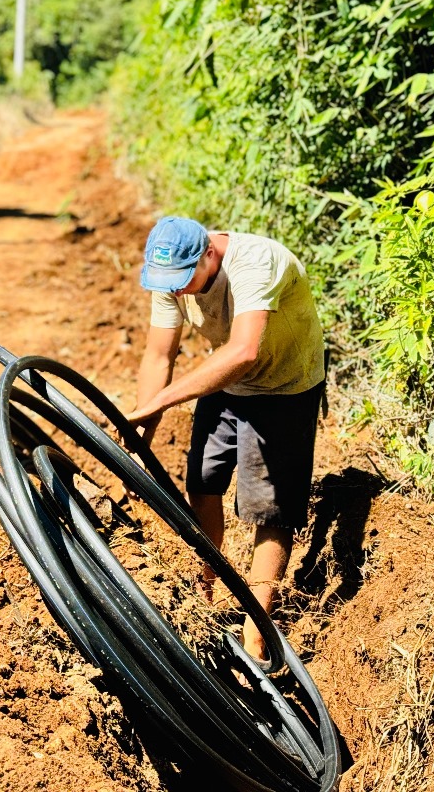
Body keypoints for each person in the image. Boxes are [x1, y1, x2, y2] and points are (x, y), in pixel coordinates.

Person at [126, 216, 325, 662]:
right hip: (228, 384)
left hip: (283, 387)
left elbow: (243, 351)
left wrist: (166, 402)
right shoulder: (172, 275)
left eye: (182, 281)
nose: (176, 291)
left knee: (269, 510)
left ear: (210, 254)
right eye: (167, 284)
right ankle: (207, 594)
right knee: (202, 480)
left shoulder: (256, 261)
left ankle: (257, 632)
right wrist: (141, 434)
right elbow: (159, 354)